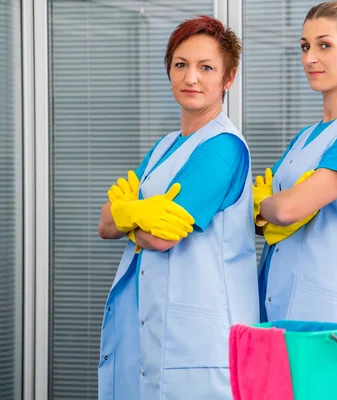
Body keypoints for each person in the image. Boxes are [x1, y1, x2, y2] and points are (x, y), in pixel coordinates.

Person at [96, 16, 258, 399]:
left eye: (206, 68)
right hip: (154, 330)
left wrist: (129, 214)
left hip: (201, 340)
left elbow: (159, 238)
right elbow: (104, 222)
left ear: (228, 78)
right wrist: (128, 215)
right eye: (181, 65)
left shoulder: (223, 148)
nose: (191, 78)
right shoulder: (165, 147)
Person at [253, 1, 337, 391]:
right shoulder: (305, 138)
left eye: (324, 45)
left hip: (332, 320)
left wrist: (261, 207)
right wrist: (269, 211)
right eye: (304, 46)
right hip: (284, 310)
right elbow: (278, 214)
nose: (310, 57)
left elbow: (290, 207)